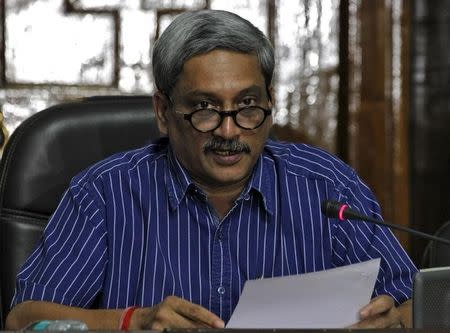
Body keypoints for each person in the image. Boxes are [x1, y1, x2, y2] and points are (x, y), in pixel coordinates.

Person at [6, 9, 417, 330]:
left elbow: (419, 302)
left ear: (270, 102)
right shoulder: (104, 194)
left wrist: (395, 320)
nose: (228, 129)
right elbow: (22, 321)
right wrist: (131, 322)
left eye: (248, 106)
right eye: (204, 109)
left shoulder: (328, 188)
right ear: (163, 112)